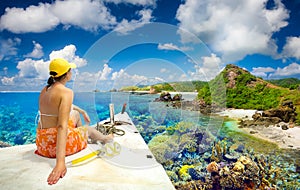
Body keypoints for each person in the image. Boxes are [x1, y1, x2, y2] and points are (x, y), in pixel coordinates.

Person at [35, 58, 113, 185]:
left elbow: (63, 107)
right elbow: (61, 126)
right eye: (70, 70)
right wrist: (60, 163)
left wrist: (82, 111)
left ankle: (81, 137)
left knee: (75, 114)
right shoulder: (66, 92)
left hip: (42, 144)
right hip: (54, 149)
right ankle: (102, 138)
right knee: (87, 129)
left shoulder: (45, 90)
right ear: (66, 74)